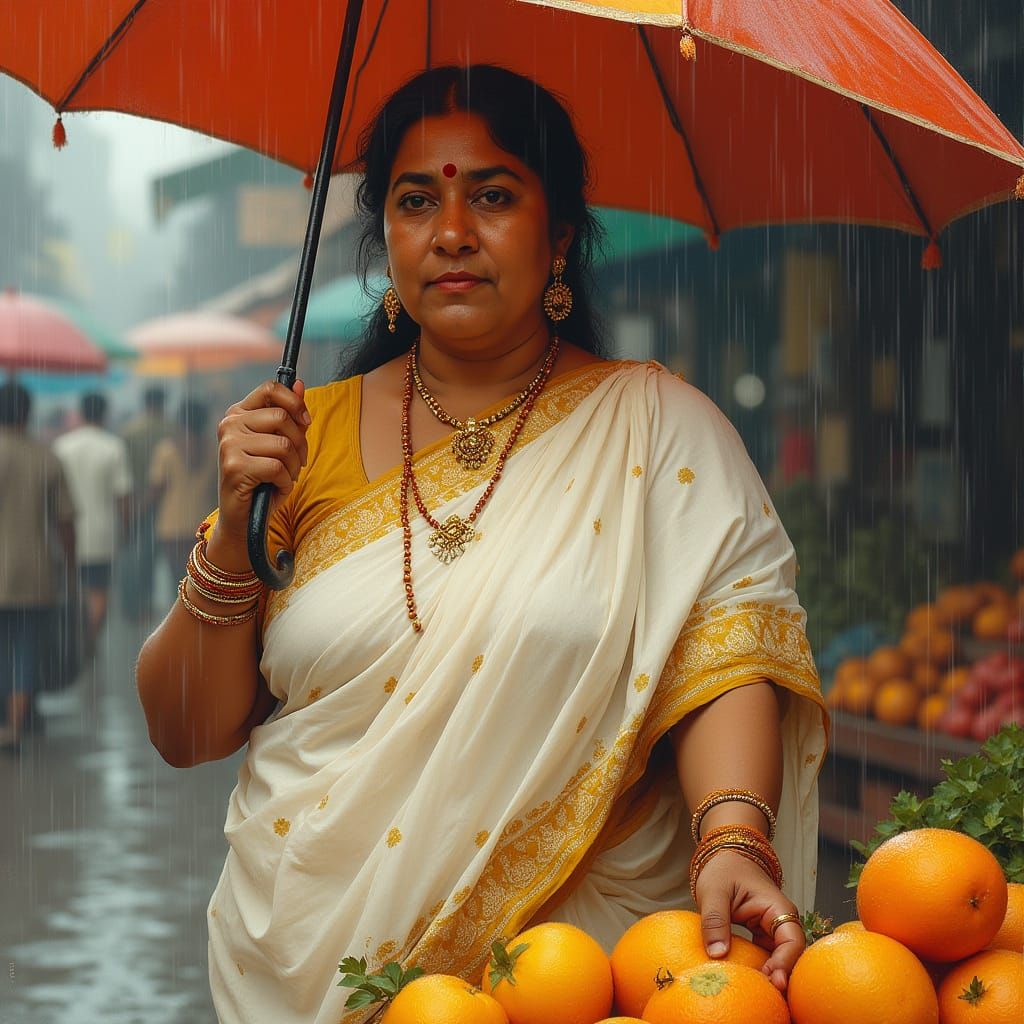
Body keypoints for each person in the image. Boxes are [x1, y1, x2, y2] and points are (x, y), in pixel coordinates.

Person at [136, 66, 826, 1023]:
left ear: (562, 236)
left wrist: (733, 839)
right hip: (316, 963)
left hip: (583, 970)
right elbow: (185, 732)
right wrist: (230, 538)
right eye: (417, 201)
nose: (452, 232)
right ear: (386, 243)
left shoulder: (659, 427)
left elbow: (726, 651)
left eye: (492, 195)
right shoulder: (299, 439)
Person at [0, 380, 76, 747]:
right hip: (34, 572)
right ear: (27, 413)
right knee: (25, 651)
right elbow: (65, 521)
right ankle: (14, 727)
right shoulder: (45, 456)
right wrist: (72, 566)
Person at [54, 392, 132, 658]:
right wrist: (126, 528)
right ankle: (89, 641)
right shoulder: (113, 447)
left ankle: (77, 641)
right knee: (99, 590)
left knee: (74, 590)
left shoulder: (61, 446)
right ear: (104, 413)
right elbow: (122, 495)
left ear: (82, 412)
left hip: (66, 534)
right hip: (102, 534)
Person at [147, 399, 219, 597]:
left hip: (172, 527)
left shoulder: (166, 451)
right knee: (200, 582)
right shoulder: (216, 450)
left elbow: (156, 489)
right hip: (205, 526)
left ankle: (179, 620)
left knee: (176, 580)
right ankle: (198, 621)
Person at [120, 387, 171, 622]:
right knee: (169, 560)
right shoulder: (173, 431)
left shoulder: (130, 432)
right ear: (163, 402)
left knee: (140, 556)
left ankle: (138, 605)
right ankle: (175, 610)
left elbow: (125, 474)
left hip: (139, 502)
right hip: (169, 503)